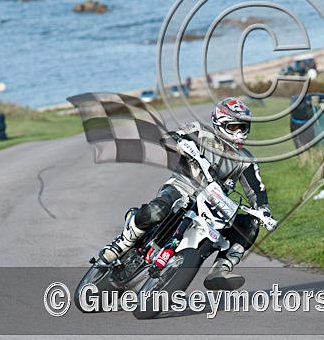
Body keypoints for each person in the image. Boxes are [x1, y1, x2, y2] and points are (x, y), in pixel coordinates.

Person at [97, 97, 270, 290]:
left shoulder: (246, 160)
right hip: (182, 188)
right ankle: (122, 243)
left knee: (250, 224)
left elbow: (257, 190)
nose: (239, 133)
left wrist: (263, 211)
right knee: (156, 210)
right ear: (219, 123)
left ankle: (221, 270)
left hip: (215, 206)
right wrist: (181, 144)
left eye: (243, 127)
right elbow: (169, 138)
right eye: (233, 127)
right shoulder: (199, 132)